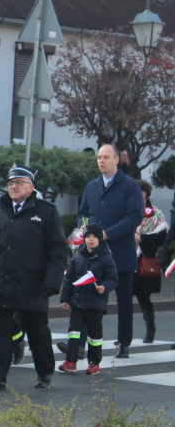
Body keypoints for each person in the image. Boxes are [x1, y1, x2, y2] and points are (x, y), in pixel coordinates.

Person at [0, 164, 68, 391]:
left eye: (19, 182)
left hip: (33, 283)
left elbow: (58, 250)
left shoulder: (45, 211)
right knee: (0, 332)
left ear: (31, 187)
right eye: (11, 183)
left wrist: (52, 281)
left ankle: (44, 373)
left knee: (37, 331)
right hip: (3, 281)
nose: (13, 186)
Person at [77, 145, 143, 358]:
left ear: (116, 160)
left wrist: (107, 234)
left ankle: (124, 341)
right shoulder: (92, 186)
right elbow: (84, 213)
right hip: (95, 254)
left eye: (106, 157)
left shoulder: (129, 185)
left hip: (120, 252)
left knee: (124, 299)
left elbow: (134, 216)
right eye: (99, 157)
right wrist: (84, 228)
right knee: (89, 296)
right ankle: (80, 344)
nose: (101, 161)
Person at [58, 223, 117, 376]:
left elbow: (113, 279)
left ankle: (94, 363)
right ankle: (71, 362)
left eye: (94, 237)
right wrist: (65, 299)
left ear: (100, 240)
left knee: (95, 335)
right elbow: (69, 279)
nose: (91, 240)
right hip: (77, 302)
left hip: (95, 303)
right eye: (88, 237)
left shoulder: (106, 258)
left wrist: (104, 287)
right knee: (73, 332)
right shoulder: (78, 257)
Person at [133, 180, 167, 344]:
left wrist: (141, 238)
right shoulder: (128, 210)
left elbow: (162, 238)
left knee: (143, 297)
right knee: (124, 295)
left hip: (146, 259)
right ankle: (124, 334)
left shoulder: (155, 214)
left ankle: (150, 329)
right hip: (128, 258)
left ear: (145, 194)